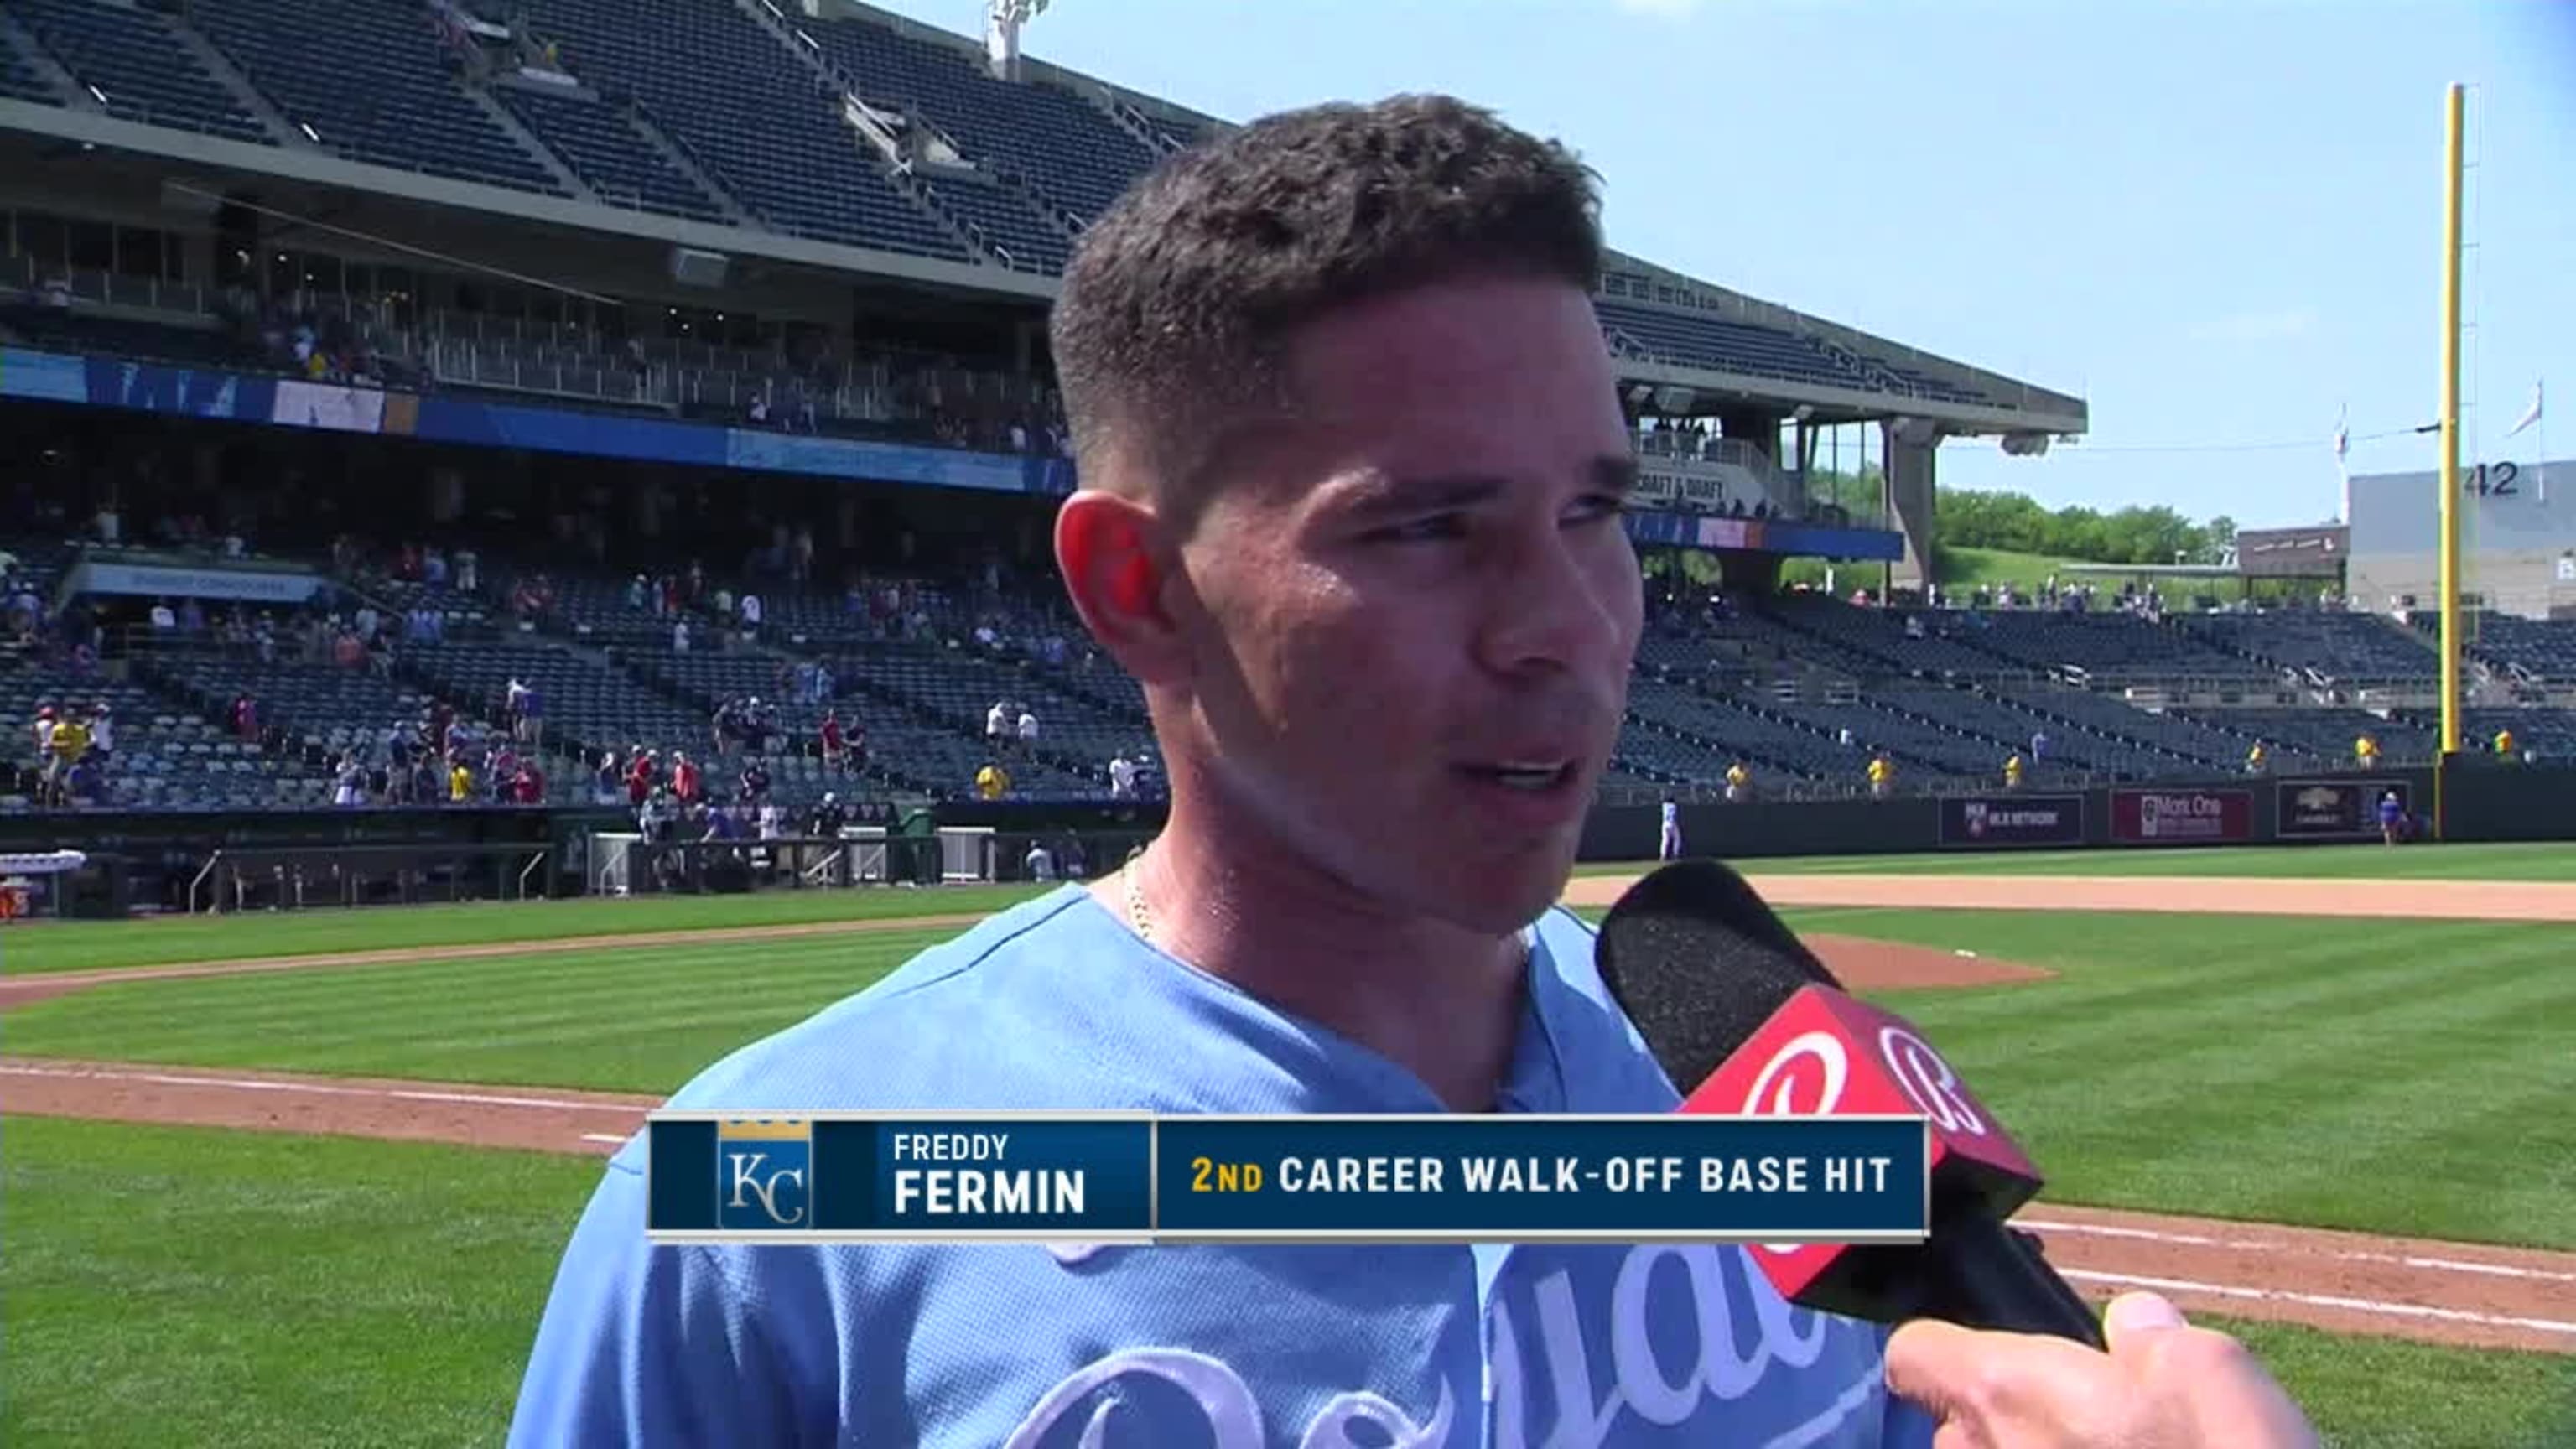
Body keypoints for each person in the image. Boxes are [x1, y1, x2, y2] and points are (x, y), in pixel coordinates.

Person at [506, 94, 2319, 1449]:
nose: (1568, 626)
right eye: (1434, 528)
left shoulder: (1790, 1121)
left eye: (1597, 513)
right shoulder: (775, 1203)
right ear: (1138, 589)